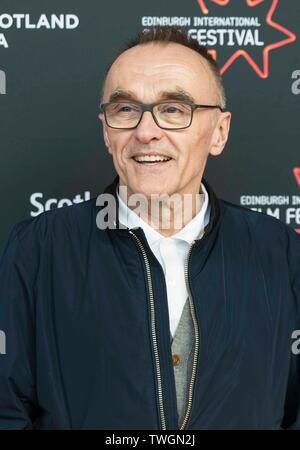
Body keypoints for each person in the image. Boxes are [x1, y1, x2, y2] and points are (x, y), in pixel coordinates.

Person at [0, 26, 299, 430]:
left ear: (219, 132)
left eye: (174, 109)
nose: (145, 132)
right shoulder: (39, 249)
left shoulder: (280, 254)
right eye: (125, 110)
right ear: (107, 131)